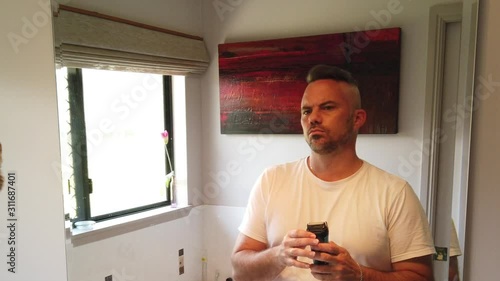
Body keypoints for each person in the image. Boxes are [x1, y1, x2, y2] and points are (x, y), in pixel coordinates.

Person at [231, 65, 435, 281]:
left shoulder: (395, 193)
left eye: (327, 108)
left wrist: (359, 275)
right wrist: (278, 255)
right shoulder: (271, 181)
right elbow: (239, 272)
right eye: (306, 111)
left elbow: (421, 278)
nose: (313, 118)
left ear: (357, 119)